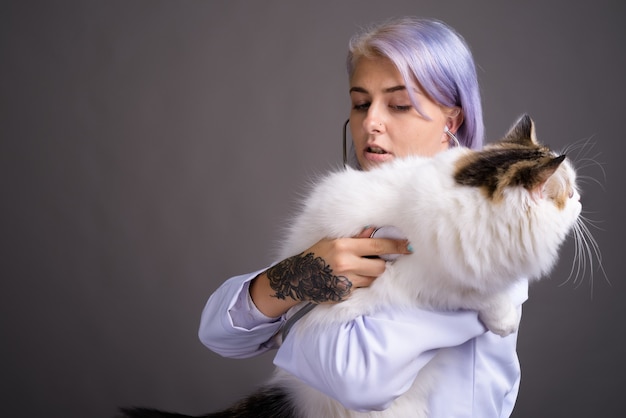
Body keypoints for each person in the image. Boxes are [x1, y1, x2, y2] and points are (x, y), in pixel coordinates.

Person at [199, 17, 527, 417]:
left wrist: (292, 319)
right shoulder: (357, 209)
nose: (371, 122)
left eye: (399, 105)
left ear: (451, 122)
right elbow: (218, 332)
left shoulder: (484, 238)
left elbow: (359, 379)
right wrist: (297, 274)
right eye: (360, 103)